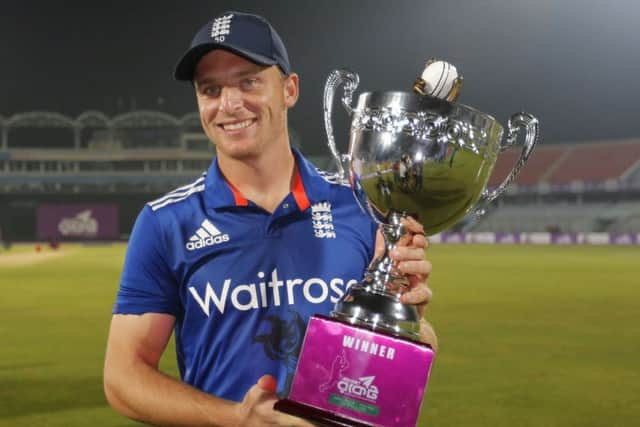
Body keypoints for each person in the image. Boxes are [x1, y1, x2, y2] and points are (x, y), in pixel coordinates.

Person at [103, 11, 436, 426]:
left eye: (248, 81)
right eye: (210, 89)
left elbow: (407, 352)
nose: (229, 104)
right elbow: (122, 376)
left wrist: (408, 324)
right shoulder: (166, 222)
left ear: (289, 89)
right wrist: (238, 418)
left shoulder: (362, 205)